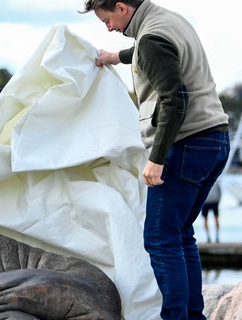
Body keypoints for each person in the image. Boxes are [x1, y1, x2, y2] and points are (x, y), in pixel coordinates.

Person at [80, 0, 230, 319]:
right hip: (215, 138)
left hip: (186, 144)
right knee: (181, 233)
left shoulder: (149, 39)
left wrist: (157, 159)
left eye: (107, 20)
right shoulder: (166, 21)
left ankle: (176, 317)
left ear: (121, 8)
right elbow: (151, 55)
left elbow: (174, 100)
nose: (108, 28)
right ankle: (193, 315)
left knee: (160, 239)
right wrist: (112, 58)